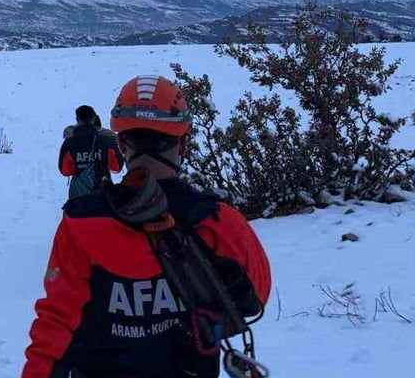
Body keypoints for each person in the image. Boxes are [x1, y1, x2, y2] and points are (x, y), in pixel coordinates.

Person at [23, 76, 272, 378]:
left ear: (121, 141)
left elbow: (55, 327)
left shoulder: (81, 223)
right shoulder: (219, 223)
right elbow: (254, 301)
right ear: (184, 142)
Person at [59, 105, 124, 200]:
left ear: (77, 120)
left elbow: (66, 171)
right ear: (94, 119)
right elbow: (117, 167)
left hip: (78, 198)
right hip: (103, 195)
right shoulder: (107, 141)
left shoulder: (69, 144)